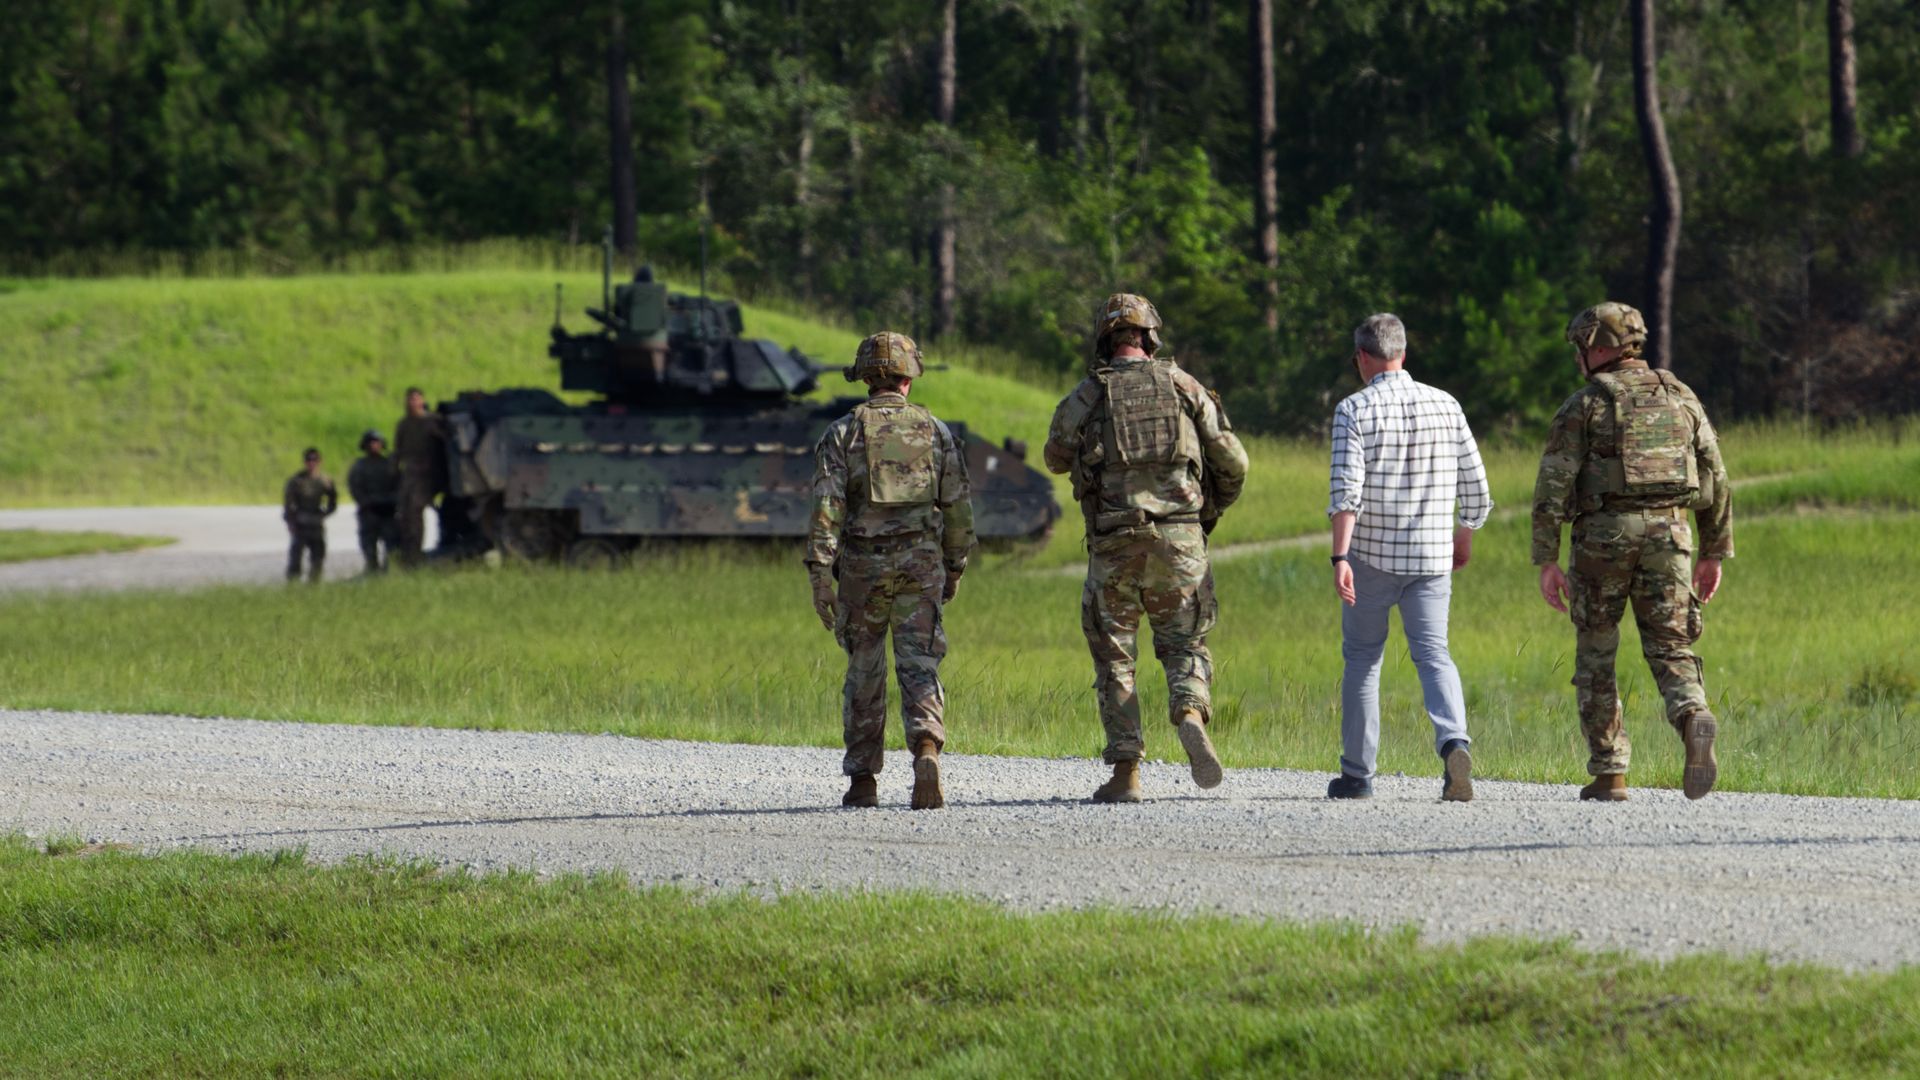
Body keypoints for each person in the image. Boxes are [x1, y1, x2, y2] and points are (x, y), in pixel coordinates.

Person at [1044, 293, 1248, 803]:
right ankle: (1189, 711)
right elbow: (1234, 461)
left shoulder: (1090, 393)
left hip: (1114, 544)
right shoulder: (1184, 386)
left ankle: (1127, 772)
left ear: (1105, 340)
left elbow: (1053, 456)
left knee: (1116, 658)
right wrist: (1207, 514)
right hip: (1180, 539)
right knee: (1185, 645)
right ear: (1150, 337)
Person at [1534, 302, 1732, 802]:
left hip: (1604, 538)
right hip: (1672, 536)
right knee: (1670, 645)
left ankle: (1609, 772)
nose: (1579, 357)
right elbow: (1715, 474)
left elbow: (1553, 484)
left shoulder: (1585, 404)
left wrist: (1546, 558)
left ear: (1600, 347)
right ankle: (1692, 717)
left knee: (1597, 651)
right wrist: (1713, 551)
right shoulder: (1681, 396)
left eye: (1582, 346)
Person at [804, 332, 976, 810]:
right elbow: (959, 510)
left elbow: (826, 509)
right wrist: (954, 565)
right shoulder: (936, 432)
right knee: (920, 662)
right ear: (908, 378)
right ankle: (925, 747)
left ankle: (863, 781)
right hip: (921, 565)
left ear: (865, 377)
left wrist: (820, 574)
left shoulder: (842, 433)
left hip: (862, 567)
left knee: (864, 670)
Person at [1325, 314, 1492, 801]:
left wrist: (1340, 556)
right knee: (1434, 654)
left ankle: (1357, 775)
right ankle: (1454, 743)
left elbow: (1345, 492)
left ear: (1361, 358)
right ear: (1404, 352)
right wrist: (1464, 535)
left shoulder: (1353, 410)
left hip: (1372, 557)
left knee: (1362, 659)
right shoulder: (1447, 404)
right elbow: (1477, 490)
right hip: (1432, 560)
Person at [391, 387, 446, 567]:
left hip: (426, 474)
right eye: (409, 400)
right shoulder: (404, 424)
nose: (412, 403)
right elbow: (398, 450)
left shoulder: (432, 421)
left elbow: (446, 443)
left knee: (415, 514)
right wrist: (394, 471)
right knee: (403, 514)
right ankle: (407, 554)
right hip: (409, 474)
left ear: (422, 401)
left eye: (416, 399)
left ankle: (415, 556)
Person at [347, 429, 400, 574]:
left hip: (388, 512)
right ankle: (372, 569)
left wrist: (390, 500)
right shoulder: (359, 466)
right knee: (369, 546)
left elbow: (399, 485)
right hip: (369, 512)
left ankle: (387, 571)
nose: (374, 446)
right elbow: (355, 487)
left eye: (377, 443)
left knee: (391, 546)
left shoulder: (389, 465)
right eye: (371, 443)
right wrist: (367, 502)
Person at [282, 447, 338, 583]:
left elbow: (333, 499)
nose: (312, 463)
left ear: (319, 461)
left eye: (314, 460)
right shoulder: (296, 481)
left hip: (316, 523)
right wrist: (291, 522)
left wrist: (325, 513)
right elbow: (288, 504)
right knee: (295, 557)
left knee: (318, 557)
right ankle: (293, 584)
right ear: (305, 462)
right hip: (300, 523)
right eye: (309, 460)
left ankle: (314, 584)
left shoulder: (325, 480)